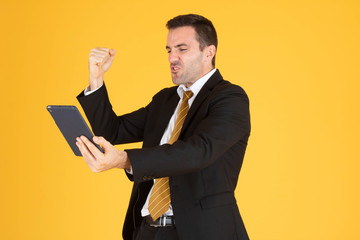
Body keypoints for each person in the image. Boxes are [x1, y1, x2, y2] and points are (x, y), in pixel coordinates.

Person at [76, 14, 251, 240]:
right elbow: (113, 131)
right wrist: (96, 78)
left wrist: (124, 160)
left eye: (182, 49)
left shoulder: (230, 98)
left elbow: (197, 152)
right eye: (169, 50)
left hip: (202, 232)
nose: (172, 58)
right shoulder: (165, 100)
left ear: (209, 52)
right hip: (148, 230)